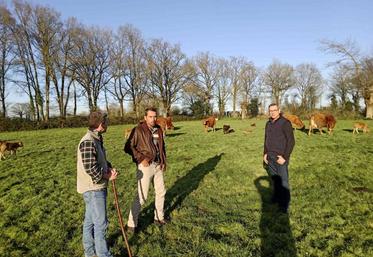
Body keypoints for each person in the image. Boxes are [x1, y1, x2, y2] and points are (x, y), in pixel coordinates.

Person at [77, 111, 118, 257]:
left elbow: (98, 161)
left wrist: (109, 167)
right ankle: (103, 254)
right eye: (106, 122)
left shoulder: (96, 138)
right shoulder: (88, 141)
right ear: (101, 125)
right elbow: (91, 169)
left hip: (93, 188)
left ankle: (89, 252)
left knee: (90, 221)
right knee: (101, 224)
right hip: (94, 189)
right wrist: (107, 175)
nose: (107, 125)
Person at [124, 107, 167, 231]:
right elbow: (128, 147)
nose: (153, 119)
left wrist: (163, 161)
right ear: (145, 117)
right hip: (145, 166)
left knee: (161, 192)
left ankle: (159, 217)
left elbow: (162, 147)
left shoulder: (158, 129)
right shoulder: (138, 130)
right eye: (150, 116)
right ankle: (132, 224)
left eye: (155, 116)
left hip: (158, 165)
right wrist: (141, 158)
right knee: (142, 197)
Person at [263, 103, 295, 213]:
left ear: (279, 110)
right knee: (275, 180)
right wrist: (265, 153)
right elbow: (266, 139)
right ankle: (276, 198)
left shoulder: (285, 123)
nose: (272, 112)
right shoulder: (268, 124)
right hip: (270, 156)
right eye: (270, 110)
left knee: (283, 181)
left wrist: (285, 157)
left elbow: (291, 141)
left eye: (274, 110)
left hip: (280, 157)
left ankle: (283, 205)